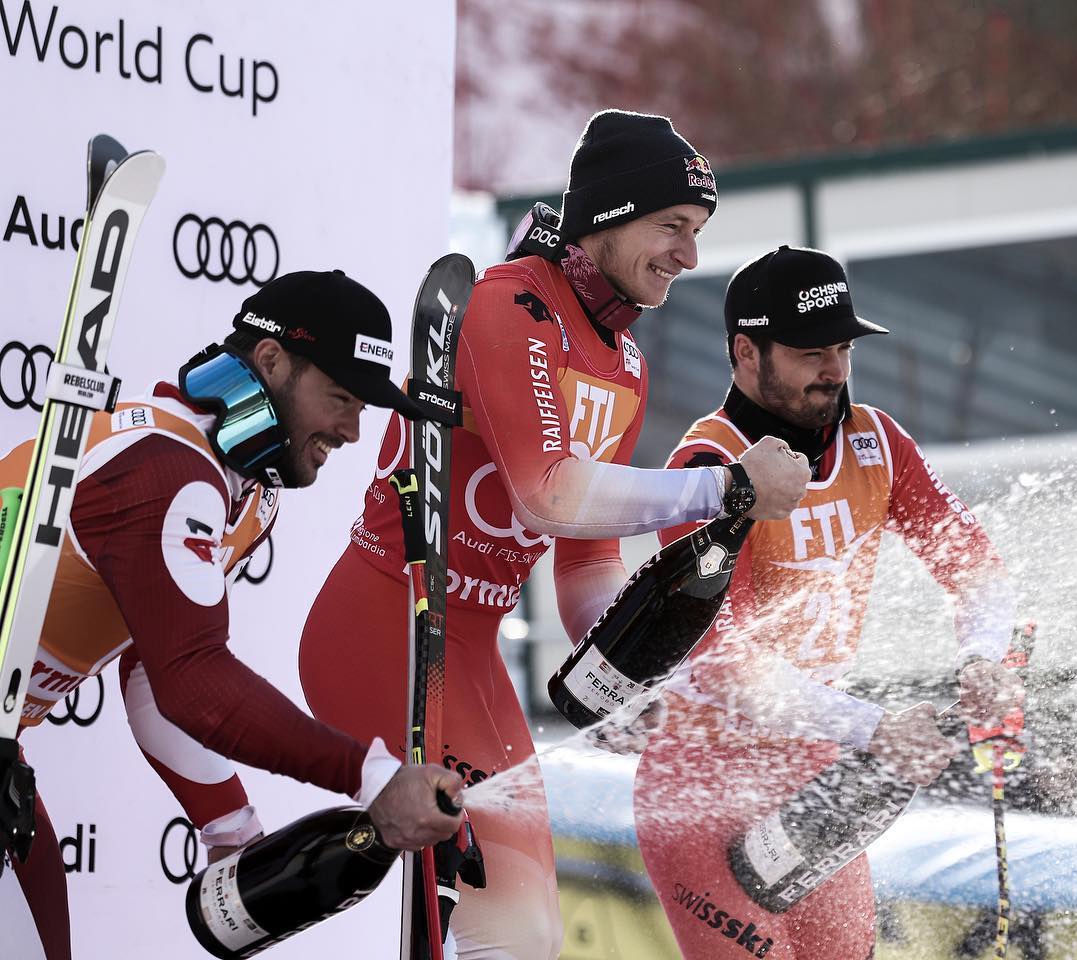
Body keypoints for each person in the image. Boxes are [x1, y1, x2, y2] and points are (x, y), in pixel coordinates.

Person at [297, 110, 811, 959]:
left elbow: (587, 559)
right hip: (386, 626)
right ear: (609, 215)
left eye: (697, 234)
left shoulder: (625, 361)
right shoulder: (511, 304)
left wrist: (631, 661)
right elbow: (547, 495)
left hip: (472, 651)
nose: (689, 256)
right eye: (671, 228)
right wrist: (730, 487)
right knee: (485, 911)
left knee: (526, 935)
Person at [0, 270, 465, 960]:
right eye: (340, 397)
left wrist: (232, 834)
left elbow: (153, 675)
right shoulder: (163, 470)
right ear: (271, 362)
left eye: (364, 406)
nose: (350, 429)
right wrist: (373, 779)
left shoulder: (247, 497)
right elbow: (192, 677)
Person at [630, 246, 1024, 959]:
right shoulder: (706, 470)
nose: (836, 370)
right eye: (811, 352)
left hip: (817, 771)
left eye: (843, 347)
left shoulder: (878, 441)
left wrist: (984, 658)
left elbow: (977, 570)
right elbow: (728, 665)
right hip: (705, 783)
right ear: (746, 353)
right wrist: (875, 728)